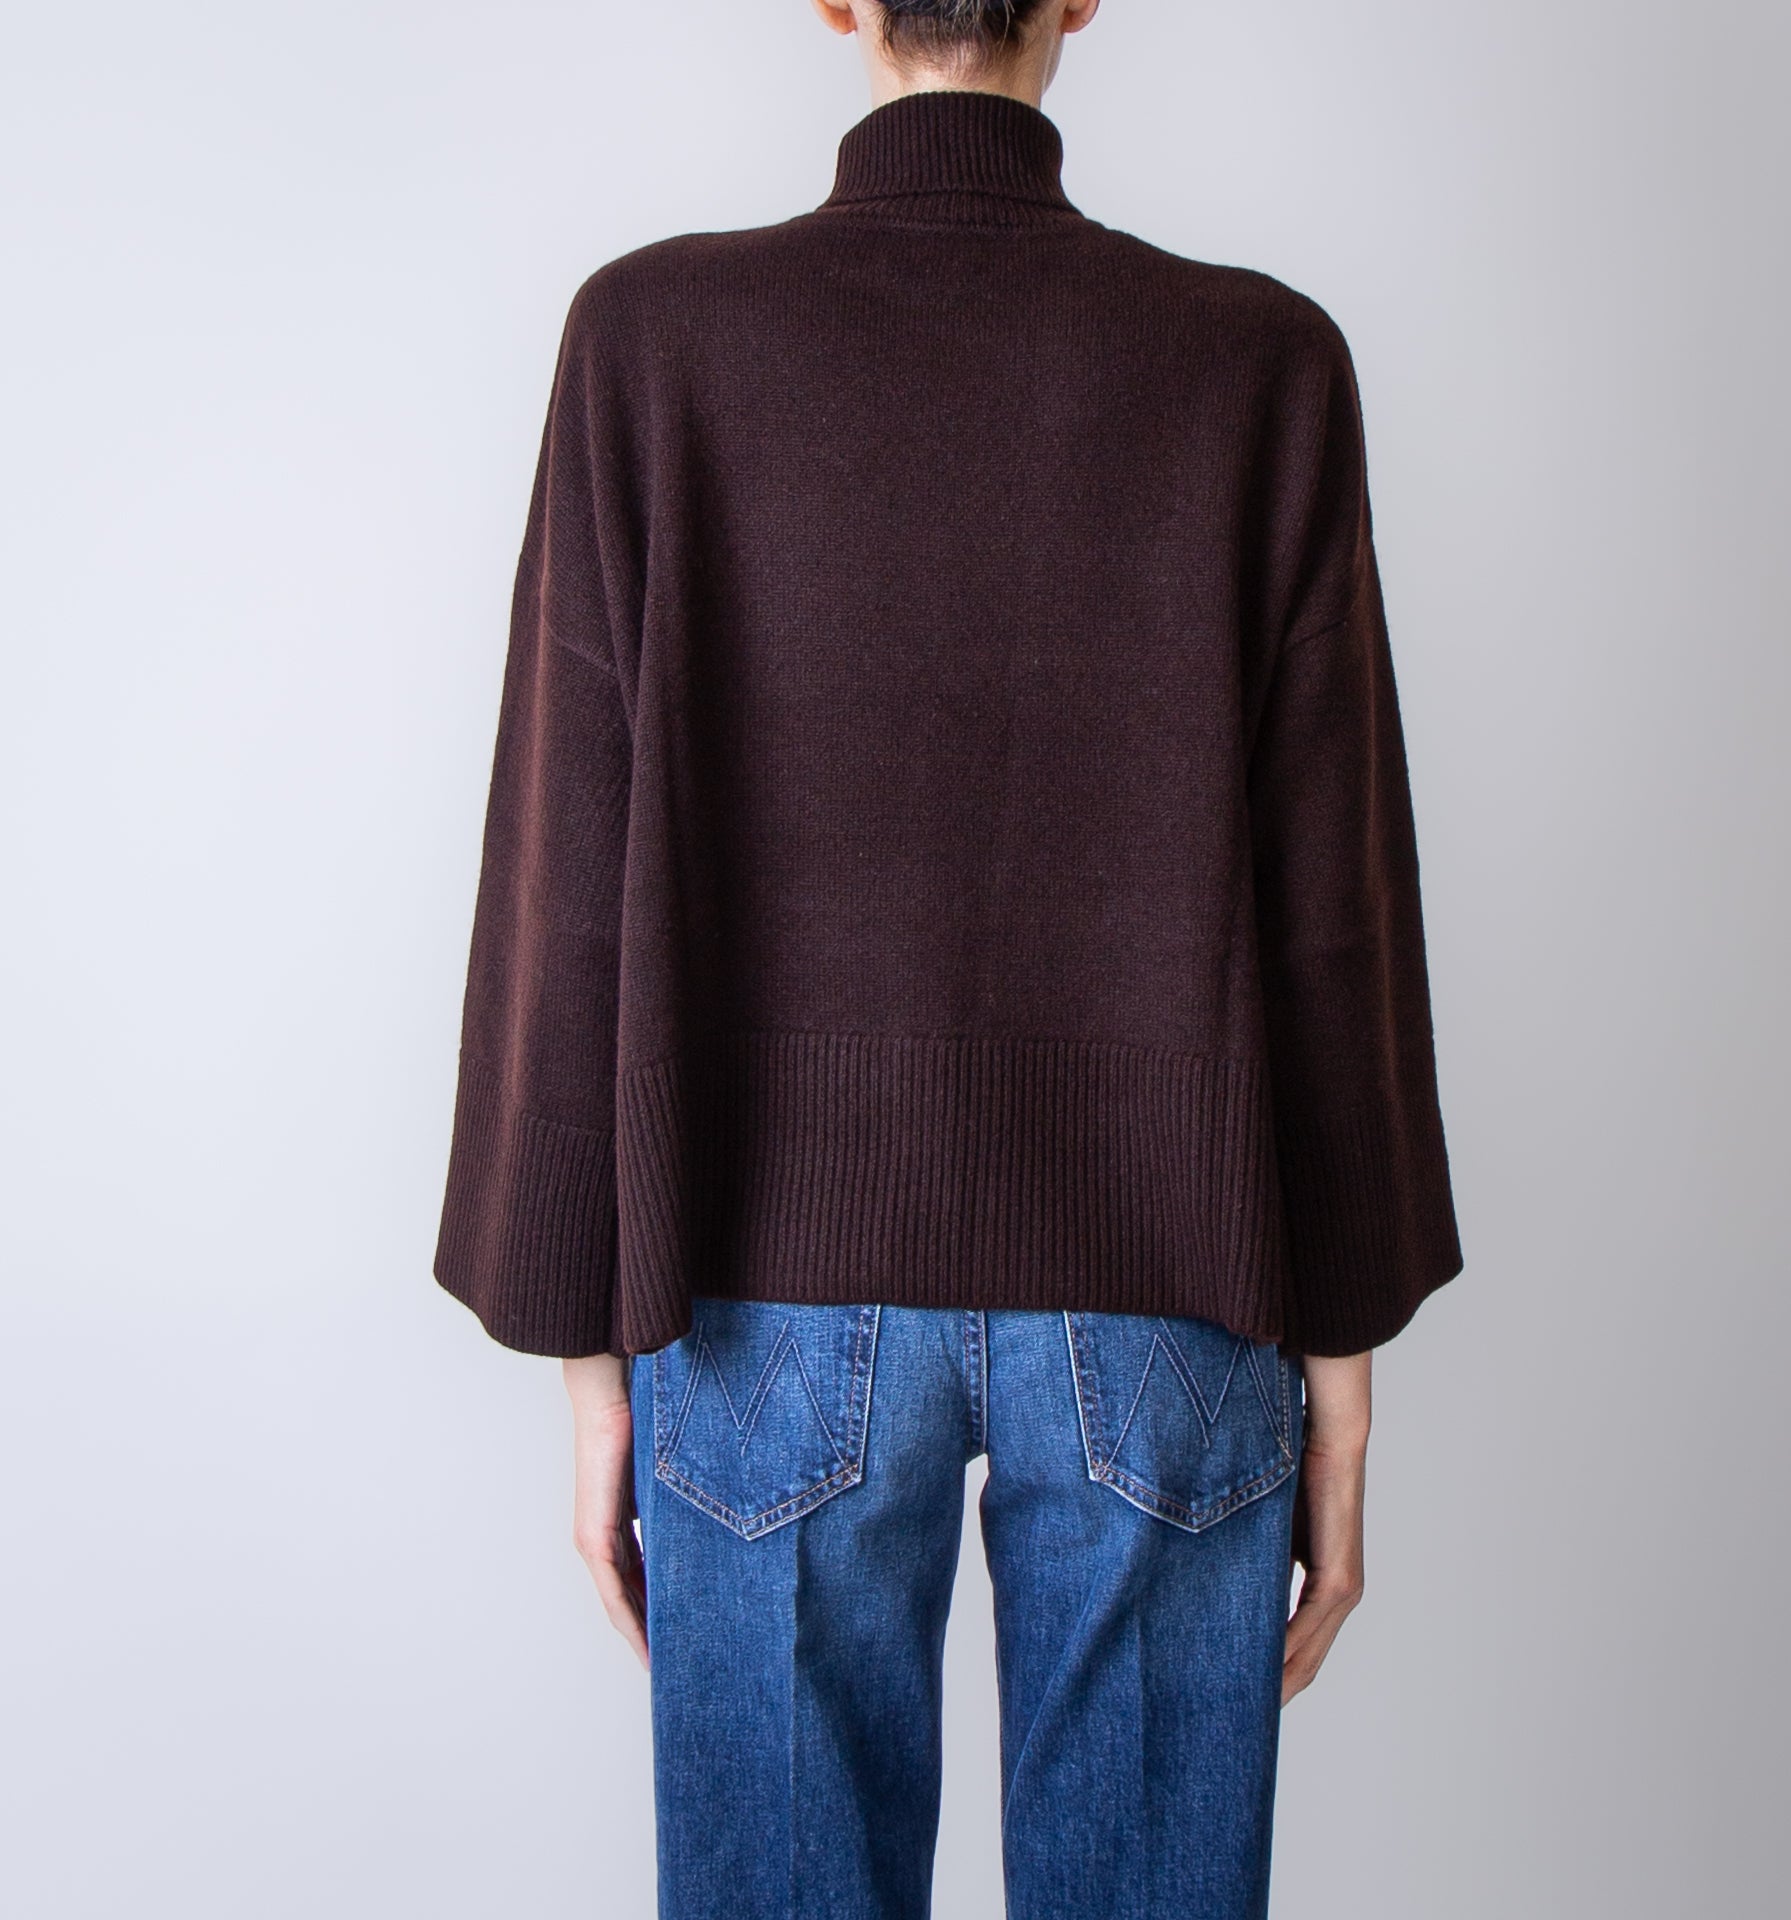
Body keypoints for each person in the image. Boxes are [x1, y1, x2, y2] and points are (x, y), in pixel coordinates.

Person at [432, 1, 1463, 1913]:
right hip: (1173, 1287)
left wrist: (586, 1360)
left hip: (754, 1300)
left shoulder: (650, 342)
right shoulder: (1258, 363)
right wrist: (1344, 1374)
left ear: (838, 0)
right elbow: (1333, 909)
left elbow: (570, 869)